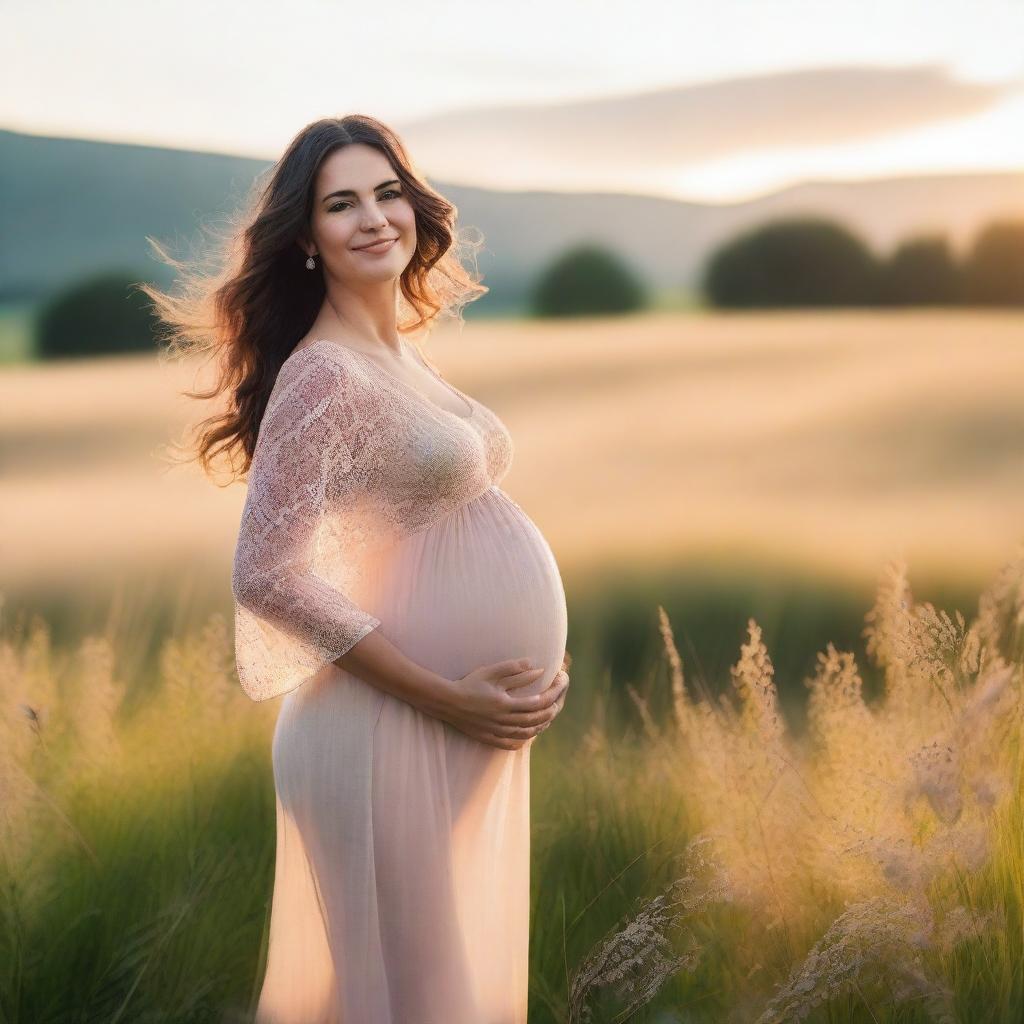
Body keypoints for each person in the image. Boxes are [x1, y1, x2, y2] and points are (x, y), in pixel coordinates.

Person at [146, 114, 571, 1023]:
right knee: (417, 1000)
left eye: (387, 193)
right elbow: (266, 572)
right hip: (385, 731)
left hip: (441, 727)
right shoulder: (322, 375)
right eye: (342, 204)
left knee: (414, 993)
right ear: (306, 238)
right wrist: (448, 695)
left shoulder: (395, 354)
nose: (375, 217)